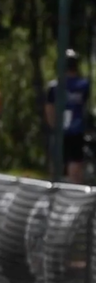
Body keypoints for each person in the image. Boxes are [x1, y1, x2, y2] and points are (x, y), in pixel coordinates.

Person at [45, 48, 91, 184]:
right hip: (76, 130)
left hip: (63, 131)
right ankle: (73, 189)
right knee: (74, 166)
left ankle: (57, 188)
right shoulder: (83, 85)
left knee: (58, 165)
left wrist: (54, 126)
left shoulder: (54, 86)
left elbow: (49, 110)